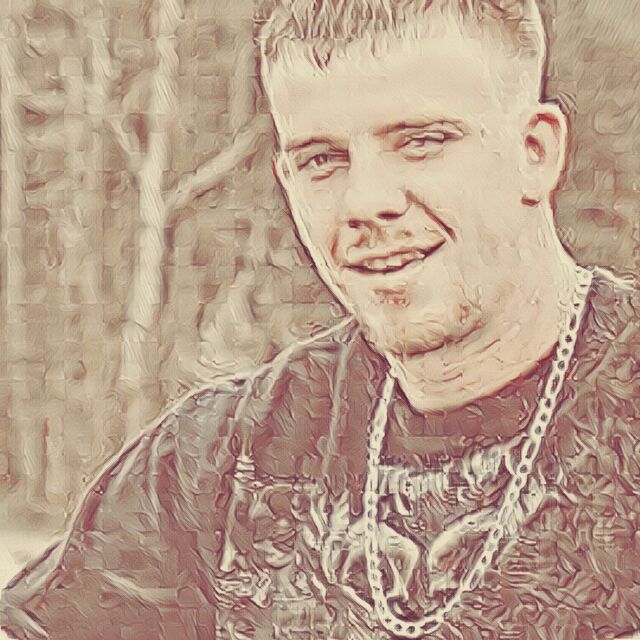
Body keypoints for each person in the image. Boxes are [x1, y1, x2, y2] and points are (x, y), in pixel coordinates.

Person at [2, 0, 639, 638]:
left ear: (535, 151)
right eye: (322, 160)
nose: (364, 202)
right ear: (287, 180)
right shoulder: (215, 465)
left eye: (420, 143)